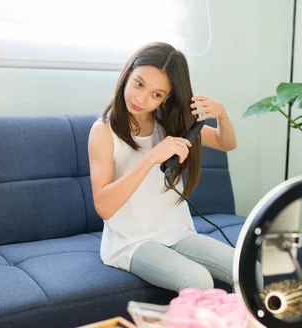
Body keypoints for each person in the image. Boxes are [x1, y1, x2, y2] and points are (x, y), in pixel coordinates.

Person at [88, 42, 239, 293]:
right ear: (127, 74)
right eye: (139, 84)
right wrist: (149, 158)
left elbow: (227, 143)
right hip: (132, 243)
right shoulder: (104, 131)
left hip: (178, 233)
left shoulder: (168, 124)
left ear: (166, 98)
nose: (141, 99)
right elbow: (103, 206)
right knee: (198, 281)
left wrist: (222, 115)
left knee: (246, 268)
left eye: (156, 94)